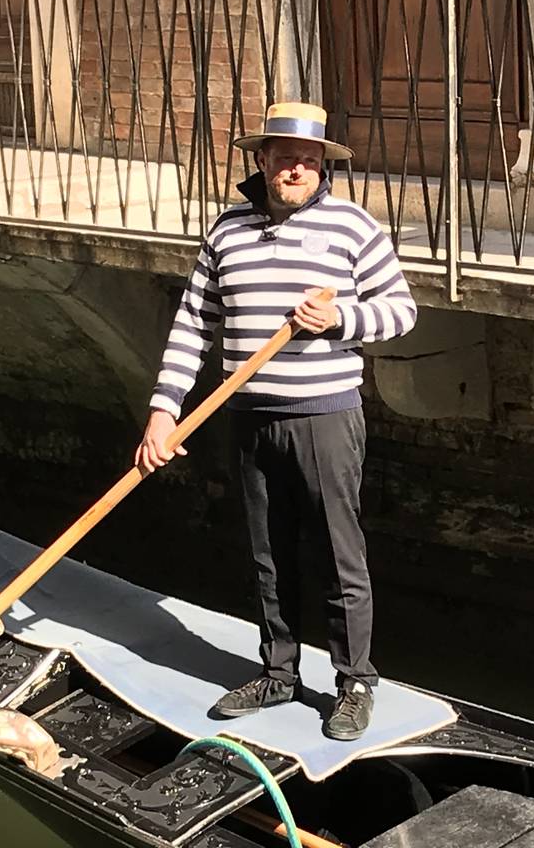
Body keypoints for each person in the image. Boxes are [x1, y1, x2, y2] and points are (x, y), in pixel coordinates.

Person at [136, 102, 417, 741]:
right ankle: (279, 672)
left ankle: (354, 681)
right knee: (268, 553)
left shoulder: (353, 227)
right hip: (249, 415)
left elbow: (401, 311)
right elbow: (194, 324)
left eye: (308, 160)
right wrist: (163, 409)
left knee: (339, 553)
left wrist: (340, 319)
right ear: (261, 160)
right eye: (285, 157)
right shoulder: (226, 230)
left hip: (325, 415)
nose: (296, 169)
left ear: (322, 166)